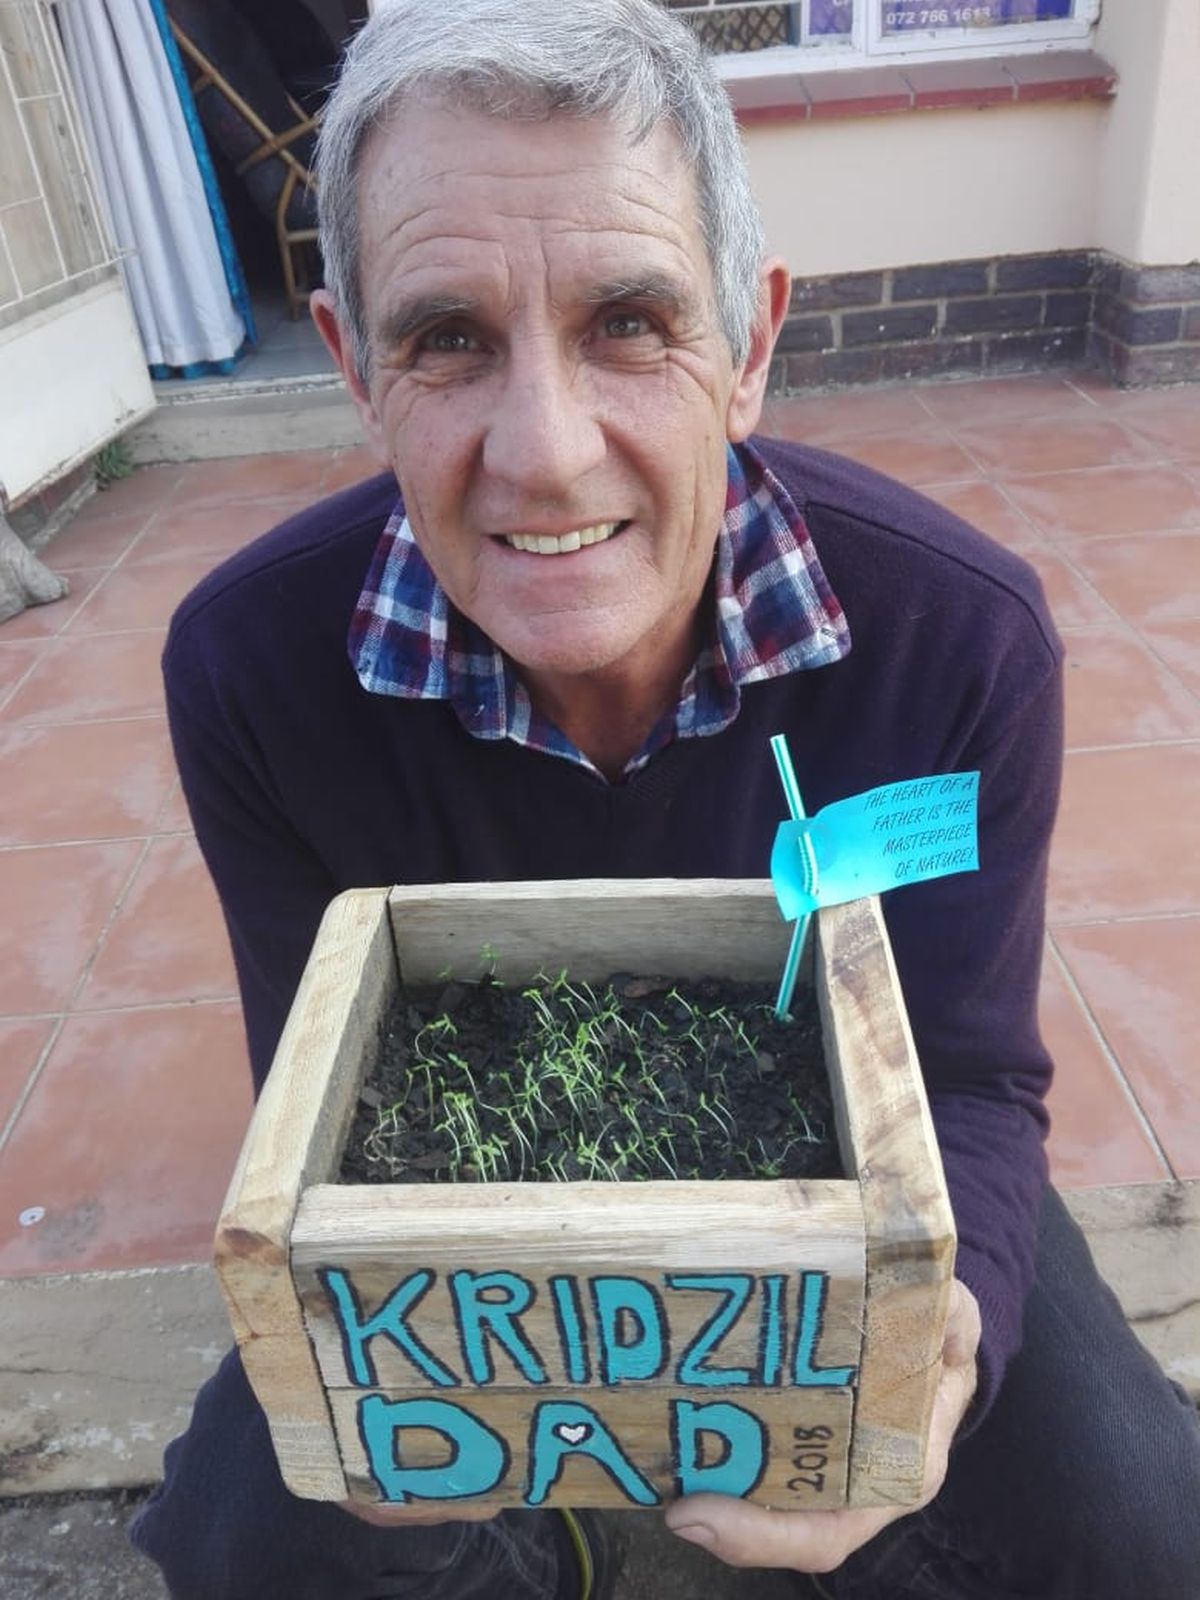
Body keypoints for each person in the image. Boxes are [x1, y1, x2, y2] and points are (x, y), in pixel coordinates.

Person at [130, 1, 1200, 1596]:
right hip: (456, 1249)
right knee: (249, 1538)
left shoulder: (951, 639)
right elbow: (326, 1100)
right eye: (448, 337)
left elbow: (970, 1073)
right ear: (355, 365)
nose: (547, 454)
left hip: (845, 1178)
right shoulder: (253, 669)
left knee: (1138, 1523)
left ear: (751, 346)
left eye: (632, 321)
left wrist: (936, 1342)